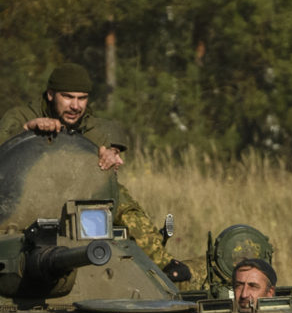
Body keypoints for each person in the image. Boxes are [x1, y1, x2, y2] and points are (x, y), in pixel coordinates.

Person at [86, 116, 185, 276]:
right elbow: (133, 223)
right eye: (115, 153)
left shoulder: (80, 185)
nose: (120, 161)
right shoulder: (106, 189)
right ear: (99, 153)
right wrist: (167, 264)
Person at [19, 64, 95, 136]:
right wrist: (27, 129)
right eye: (68, 97)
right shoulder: (21, 118)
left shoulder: (101, 132)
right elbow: (7, 143)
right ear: (50, 95)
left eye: (82, 98)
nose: (75, 106)